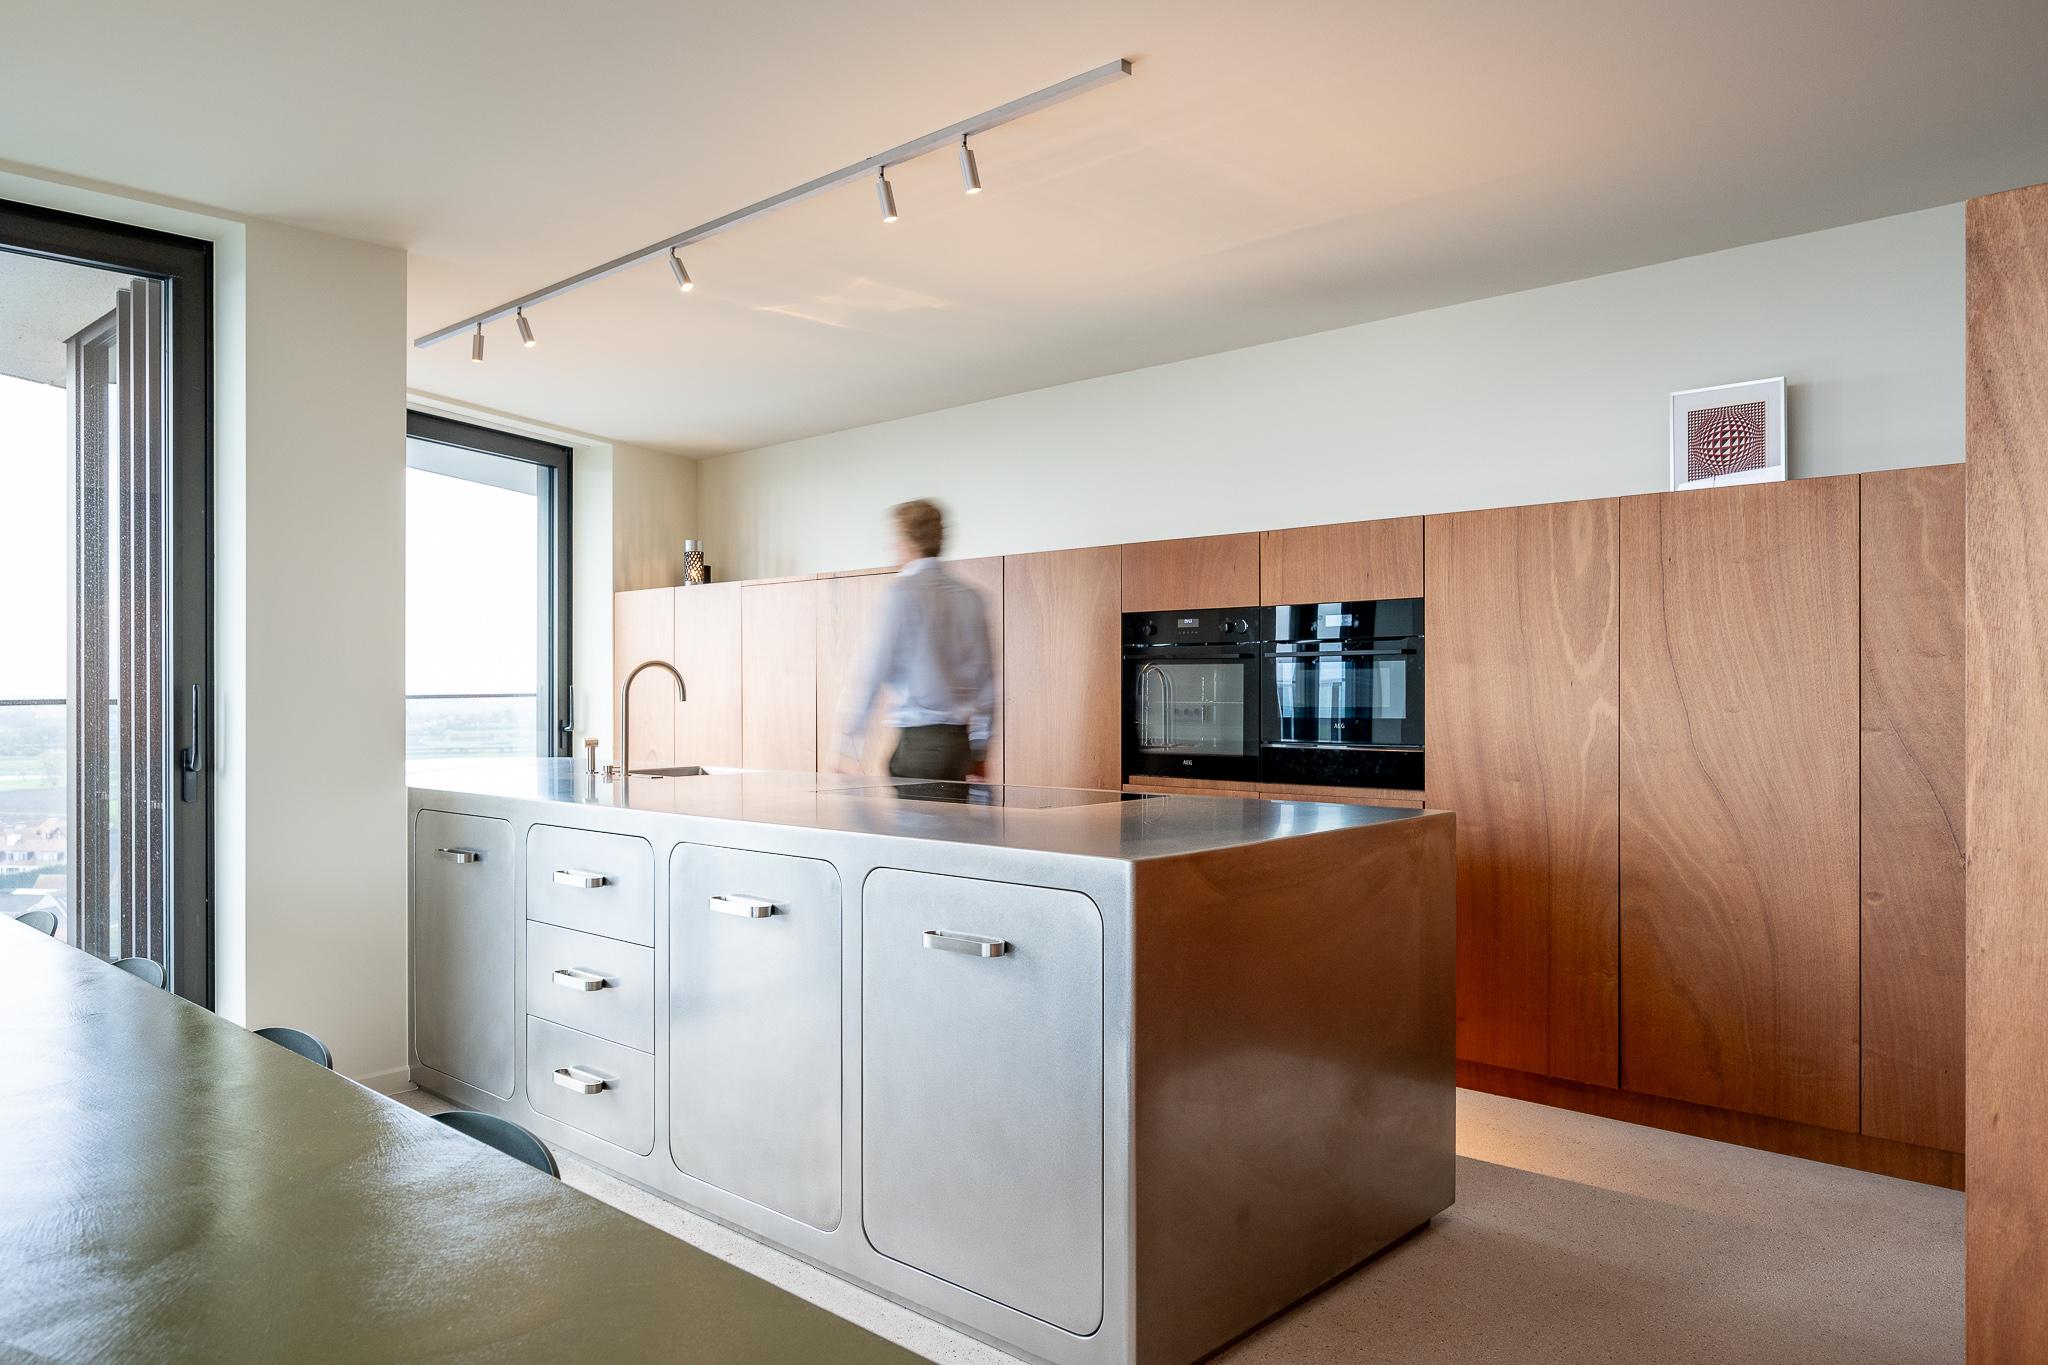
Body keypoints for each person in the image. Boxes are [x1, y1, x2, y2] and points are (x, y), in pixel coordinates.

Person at [833, 499, 995, 782]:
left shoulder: (900, 594)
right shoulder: (971, 597)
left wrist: (847, 745)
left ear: (905, 540)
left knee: (915, 813)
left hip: (920, 746)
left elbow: (871, 671)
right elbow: (987, 683)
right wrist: (980, 750)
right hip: (961, 747)